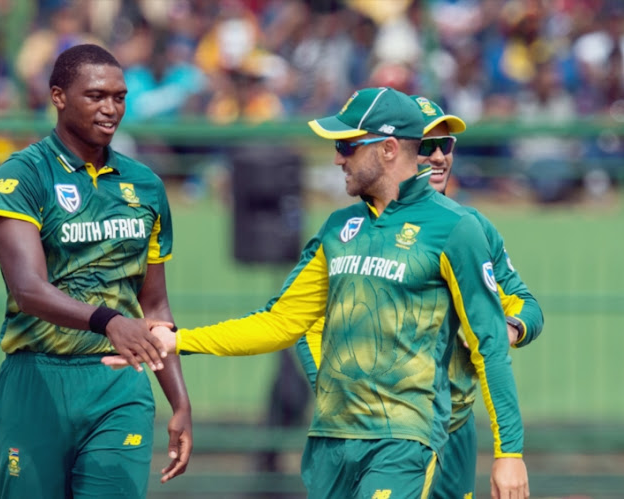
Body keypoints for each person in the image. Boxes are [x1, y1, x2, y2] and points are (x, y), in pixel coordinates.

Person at [104, 86, 530, 498]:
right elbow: (281, 322)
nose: (336, 157)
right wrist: (178, 341)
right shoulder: (338, 230)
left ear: (387, 149)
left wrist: (508, 452)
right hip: (331, 440)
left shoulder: (457, 229)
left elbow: (489, 345)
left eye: (347, 145)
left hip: (403, 440)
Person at [295, 95, 545, 499]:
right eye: (426, 146)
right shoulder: (348, 228)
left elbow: (527, 307)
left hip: (454, 428)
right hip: (382, 428)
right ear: (400, 151)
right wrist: (344, 392)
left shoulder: (470, 228)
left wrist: (512, 328)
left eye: (446, 146)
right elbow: (303, 321)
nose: (438, 157)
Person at [0, 43, 192, 498]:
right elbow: (27, 288)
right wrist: (109, 320)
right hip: (37, 379)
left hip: (118, 385)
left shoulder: (146, 186)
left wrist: (179, 400)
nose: (110, 108)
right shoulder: (23, 176)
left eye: (119, 97)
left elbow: (154, 304)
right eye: (96, 96)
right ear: (58, 96)